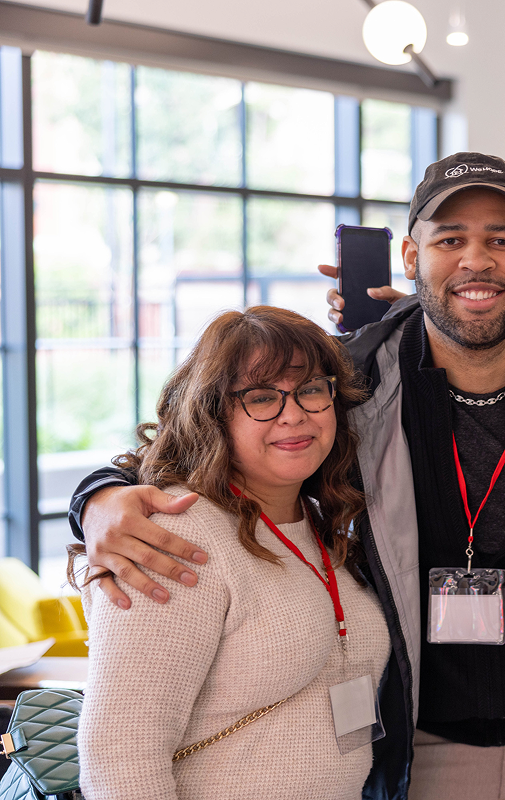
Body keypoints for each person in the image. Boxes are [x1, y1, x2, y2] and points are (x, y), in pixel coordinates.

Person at [68, 152, 505, 800]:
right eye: (450, 240)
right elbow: (193, 447)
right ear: (410, 257)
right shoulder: (352, 382)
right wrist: (97, 500)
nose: (476, 260)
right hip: (411, 744)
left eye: (502, 240)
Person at [74, 306, 390, 799]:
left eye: (311, 389)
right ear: (212, 415)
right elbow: (120, 753)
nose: (294, 414)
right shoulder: (179, 534)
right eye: (261, 397)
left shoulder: (321, 521)